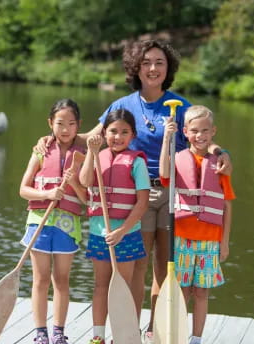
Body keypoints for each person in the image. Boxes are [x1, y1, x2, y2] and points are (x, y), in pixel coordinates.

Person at [35, 39, 232, 343]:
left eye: (159, 63)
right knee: (136, 266)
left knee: (164, 266)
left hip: (171, 195)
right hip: (136, 198)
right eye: (146, 63)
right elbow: (90, 137)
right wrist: (52, 137)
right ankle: (129, 331)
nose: (153, 68)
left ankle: (155, 329)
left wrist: (222, 152)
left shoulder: (179, 104)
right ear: (136, 68)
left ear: (168, 69)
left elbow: (199, 134)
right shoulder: (121, 105)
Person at [159, 105, 235, 344]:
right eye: (194, 131)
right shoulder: (179, 158)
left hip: (210, 240)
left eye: (205, 131)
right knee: (181, 292)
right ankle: (179, 336)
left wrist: (224, 243)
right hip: (182, 237)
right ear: (185, 132)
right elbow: (163, 173)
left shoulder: (220, 164)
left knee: (201, 292)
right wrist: (166, 138)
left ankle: (197, 339)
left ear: (213, 131)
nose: (200, 136)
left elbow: (227, 206)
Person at [79, 109, 150, 344]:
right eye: (112, 131)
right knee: (101, 286)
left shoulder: (137, 162)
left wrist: (121, 231)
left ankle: (121, 337)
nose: (117, 137)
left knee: (123, 287)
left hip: (126, 234)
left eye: (124, 132)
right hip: (100, 233)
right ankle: (98, 336)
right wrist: (91, 151)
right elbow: (85, 181)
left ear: (133, 135)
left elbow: (142, 203)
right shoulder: (98, 156)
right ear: (104, 132)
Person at [19, 98, 87, 344]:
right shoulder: (40, 151)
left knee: (61, 279)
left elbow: (87, 199)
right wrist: (47, 194)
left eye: (71, 123)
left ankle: (58, 332)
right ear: (50, 123)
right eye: (60, 123)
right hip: (39, 221)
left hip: (66, 225)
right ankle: (40, 333)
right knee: (40, 279)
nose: (65, 129)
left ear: (78, 125)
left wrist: (74, 183)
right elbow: (23, 189)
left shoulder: (84, 156)